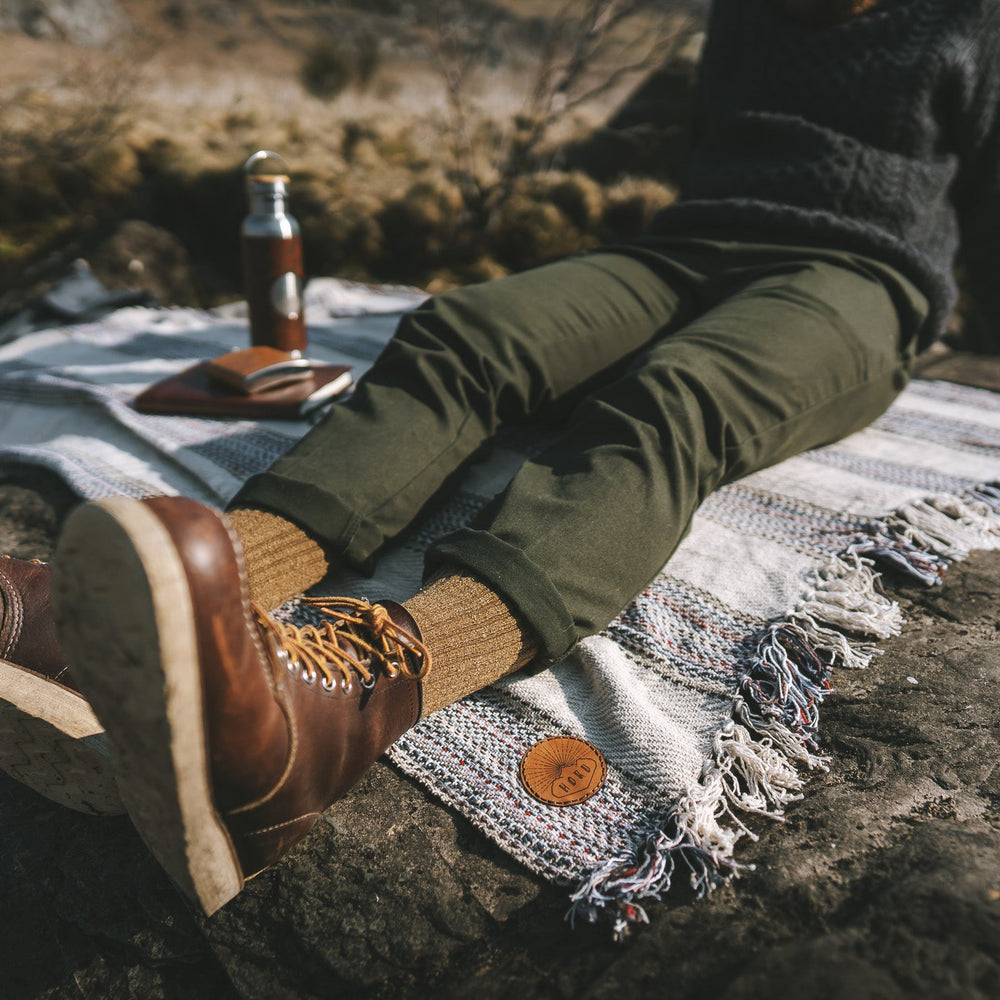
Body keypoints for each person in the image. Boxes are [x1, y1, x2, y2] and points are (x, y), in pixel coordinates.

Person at [2, 0, 998, 914]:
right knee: (464, 334)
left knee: (674, 397)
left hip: (861, 277)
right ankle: (176, 618)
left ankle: (341, 709)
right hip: (691, 246)